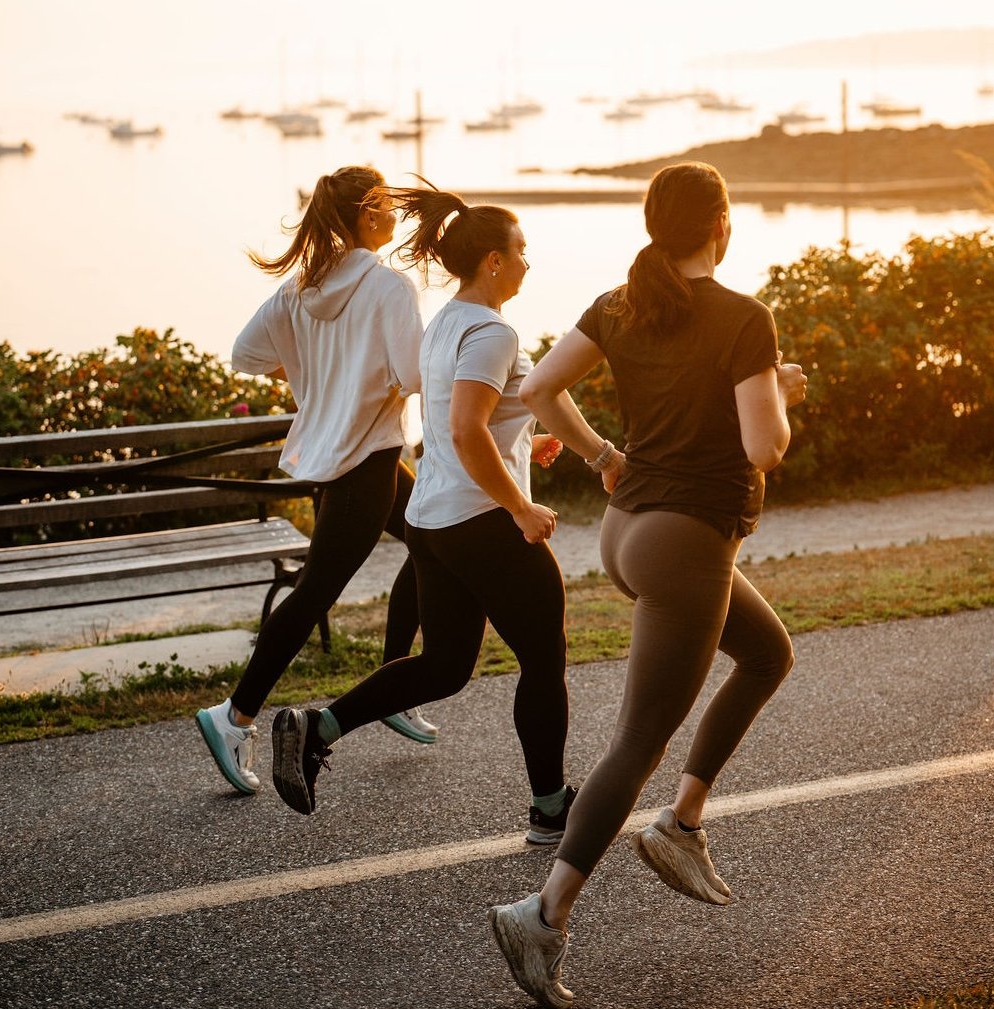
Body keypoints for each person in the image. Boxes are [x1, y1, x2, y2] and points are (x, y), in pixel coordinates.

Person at [488, 161, 808, 1008]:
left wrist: (599, 456)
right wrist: (780, 389)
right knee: (637, 741)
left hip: (628, 533)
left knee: (767, 654)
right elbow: (765, 446)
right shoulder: (745, 318)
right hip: (684, 543)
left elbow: (536, 389)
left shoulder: (619, 303)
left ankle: (682, 823)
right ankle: (542, 914)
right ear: (721, 227)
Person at [270, 180, 577, 845]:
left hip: (433, 522)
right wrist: (520, 506)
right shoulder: (493, 330)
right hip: (480, 521)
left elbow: (456, 418)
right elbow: (466, 429)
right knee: (543, 658)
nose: (527, 261)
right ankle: (550, 808)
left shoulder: (446, 322)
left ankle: (315, 727)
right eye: (519, 249)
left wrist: (528, 437)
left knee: (443, 667)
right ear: (492, 260)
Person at [196, 165, 439, 798]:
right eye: (386, 206)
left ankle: (394, 686)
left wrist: (318, 384)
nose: (394, 217)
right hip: (367, 462)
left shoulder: (301, 287)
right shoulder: (388, 286)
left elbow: (245, 356)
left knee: (429, 541)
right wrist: (366, 383)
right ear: (366, 214)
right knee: (313, 594)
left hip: (338, 458)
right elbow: (416, 375)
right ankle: (234, 716)